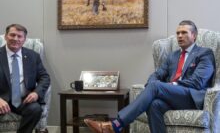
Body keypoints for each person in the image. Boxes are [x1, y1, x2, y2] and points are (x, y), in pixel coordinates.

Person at [84, 20, 216, 133]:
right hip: (172, 96)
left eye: (184, 33)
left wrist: (166, 86)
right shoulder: (173, 56)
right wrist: (152, 87)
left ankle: (115, 126)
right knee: (154, 105)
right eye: (178, 33)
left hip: (191, 97)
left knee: (156, 86)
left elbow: (197, 82)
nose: (180, 36)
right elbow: (157, 74)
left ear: (194, 35)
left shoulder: (204, 53)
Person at [0, 24, 50, 133]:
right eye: (12, 35)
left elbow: (44, 77)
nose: (15, 39)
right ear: (5, 36)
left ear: (24, 39)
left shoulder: (33, 56)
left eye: (19, 36)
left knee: (35, 109)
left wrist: (36, 93)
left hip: (24, 100)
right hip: (2, 99)